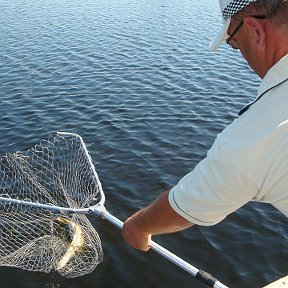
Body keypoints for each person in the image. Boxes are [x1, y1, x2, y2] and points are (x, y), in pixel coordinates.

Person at [122, 0, 288, 252]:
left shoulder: (255, 136)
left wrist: (138, 227)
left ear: (256, 31)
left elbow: (184, 207)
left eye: (234, 42)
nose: (240, 53)